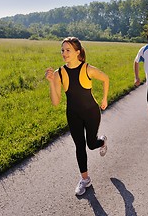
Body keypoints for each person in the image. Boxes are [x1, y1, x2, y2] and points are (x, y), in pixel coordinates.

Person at [45, 37, 109, 196]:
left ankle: (102, 141)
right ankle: (85, 179)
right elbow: (55, 102)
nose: (64, 53)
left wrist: (104, 98)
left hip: (91, 113)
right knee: (79, 146)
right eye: (62, 50)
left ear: (77, 52)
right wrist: (51, 83)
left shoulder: (88, 69)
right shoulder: (58, 73)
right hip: (73, 114)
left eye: (68, 50)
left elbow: (105, 78)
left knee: (91, 144)